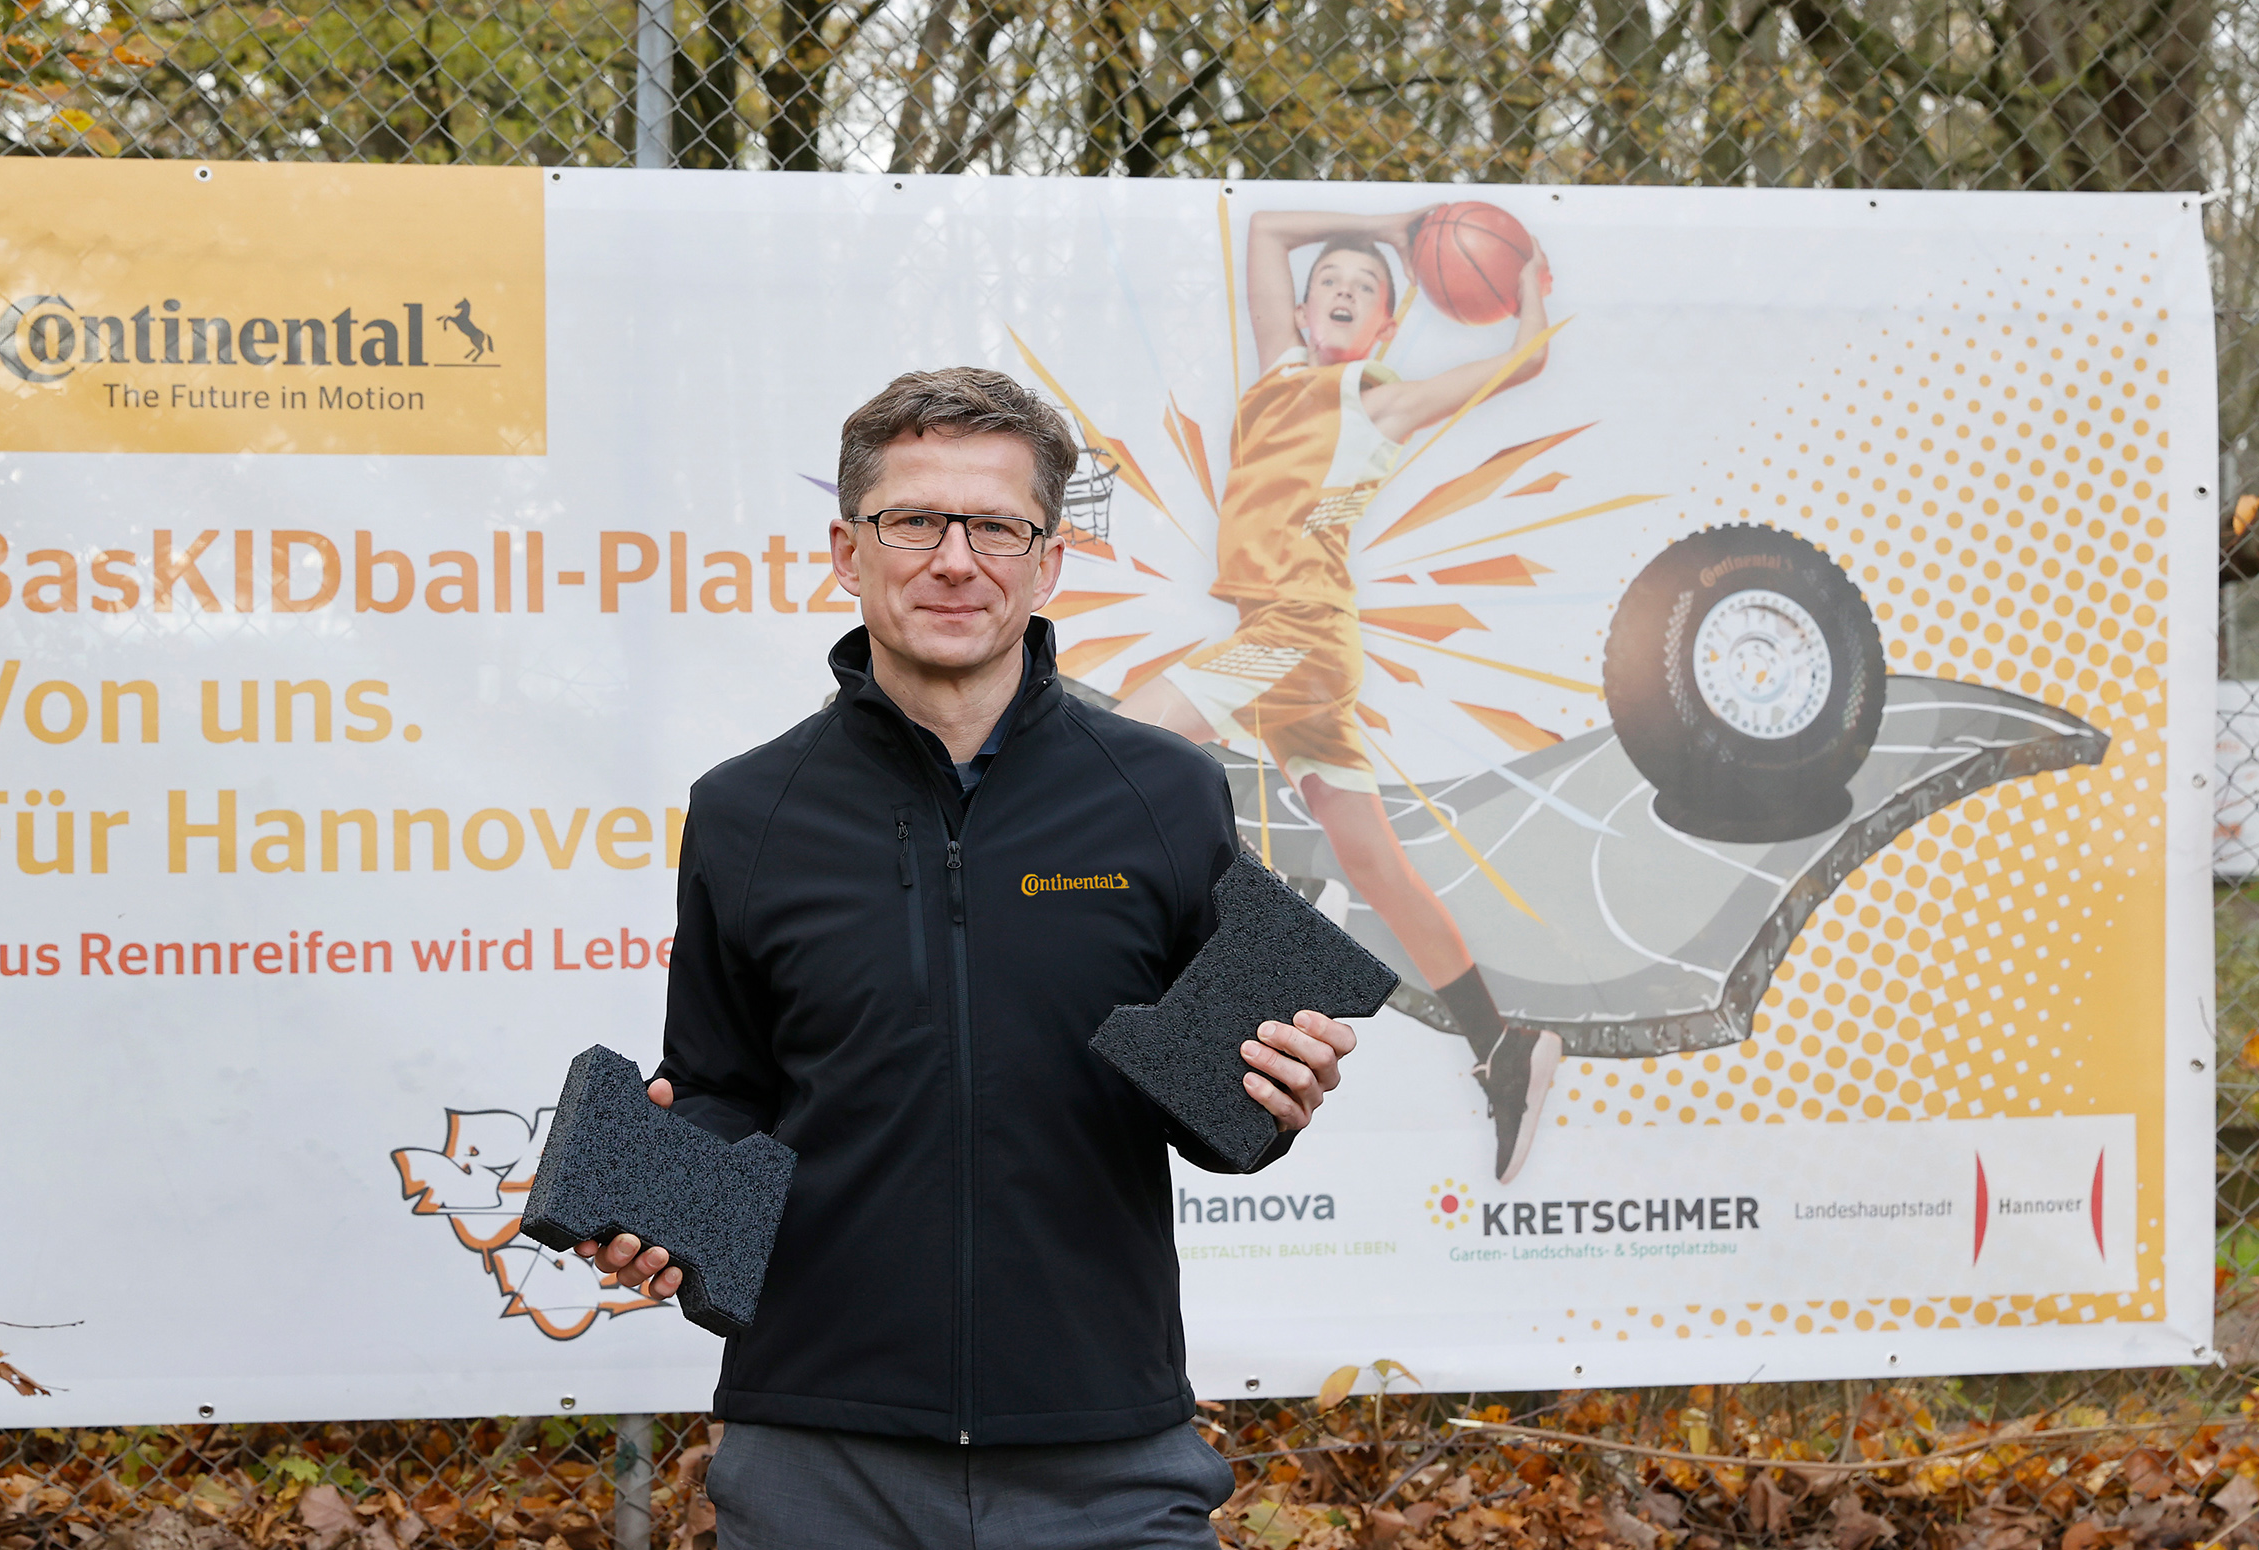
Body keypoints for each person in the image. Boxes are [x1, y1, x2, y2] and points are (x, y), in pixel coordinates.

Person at [582, 367, 1358, 1549]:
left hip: (1106, 1447)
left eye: (996, 526)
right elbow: (720, 1084)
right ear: (847, 551)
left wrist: (1279, 1093)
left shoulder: (1164, 793)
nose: (955, 560)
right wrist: (667, 1203)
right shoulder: (746, 811)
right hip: (819, 1449)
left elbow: (1219, 1111)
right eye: (913, 521)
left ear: (1048, 562)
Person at [1115, 206, 1560, 1184]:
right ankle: (1503, 1043)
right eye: (1331, 284)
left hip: (1295, 635)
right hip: (1291, 644)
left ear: (1385, 327)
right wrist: (1391, 229)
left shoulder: (1376, 397)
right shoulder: (1282, 374)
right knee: (1376, 864)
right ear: (1304, 312)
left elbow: (1523, 360)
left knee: (1111, 750)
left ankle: (1219, 953)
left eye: (1365, 289)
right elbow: (1269, 232)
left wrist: (1524, 276)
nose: (1344, 291)